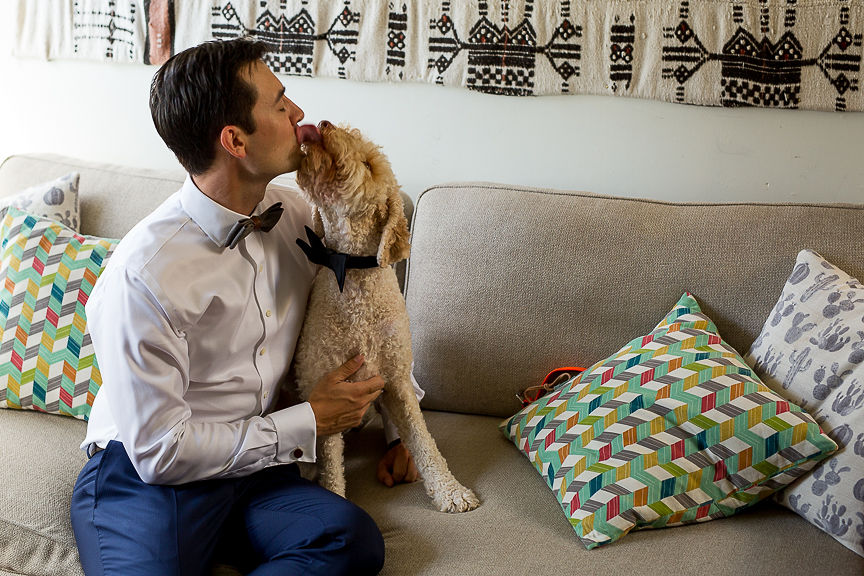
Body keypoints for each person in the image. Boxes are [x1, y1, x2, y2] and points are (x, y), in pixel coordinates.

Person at [70, 37, 419, 576]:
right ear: (234, 140)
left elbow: (368, 320)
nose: (299, 115)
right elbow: (162, 452)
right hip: (149, 475)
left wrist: (399, 428)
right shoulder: (143, 276)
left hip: (258, 468)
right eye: (280, 105)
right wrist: (307, 420)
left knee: (352, 542)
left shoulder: (299, 215)